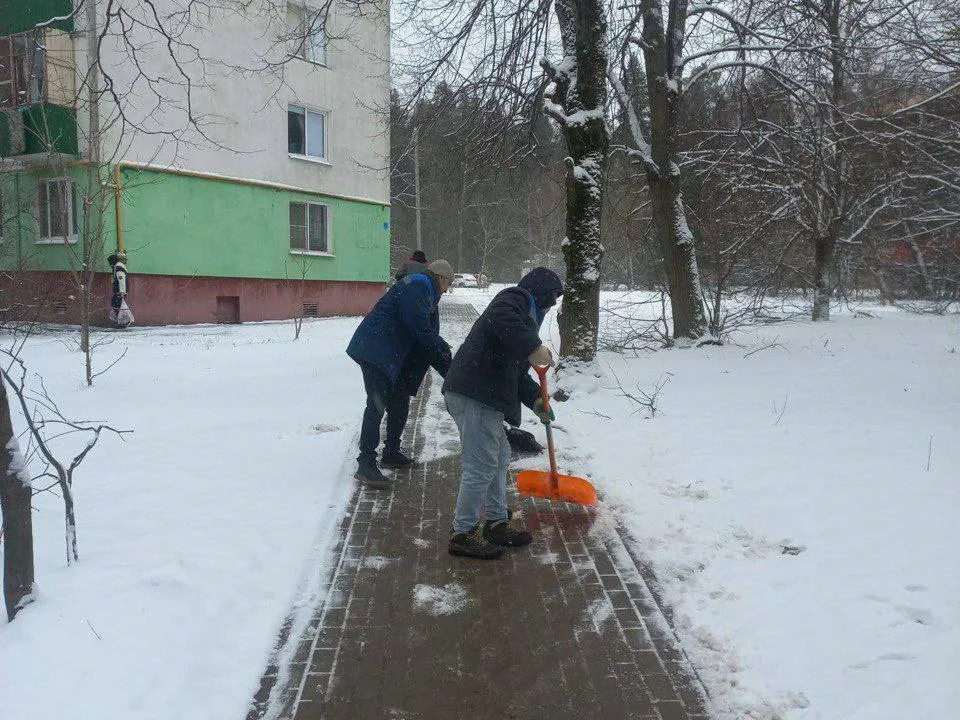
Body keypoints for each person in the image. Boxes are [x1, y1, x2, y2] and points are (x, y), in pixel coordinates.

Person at [441, 267, 563, 559]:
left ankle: (496, 522)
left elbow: (519, 374)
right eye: (549, 298)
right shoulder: (514, 299)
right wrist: (533, 346)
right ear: (540, 293)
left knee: (499, 458)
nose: (550, 306)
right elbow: (502, 318)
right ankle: (463, 533)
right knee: (481, 464)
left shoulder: (523, 323)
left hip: (485, 398)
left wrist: (537, 400)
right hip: (474, 395)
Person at [346, 259, 456, 488]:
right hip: (376, 350)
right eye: (449, 284)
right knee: (376, 404)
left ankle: (391, 452)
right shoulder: (419, 285)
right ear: (442, 278)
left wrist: (453, 373)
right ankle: (366, 463)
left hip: (387, 352)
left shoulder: (425, 290)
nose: (447, 290)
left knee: (399, 399)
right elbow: (418, 327)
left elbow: (426, 337)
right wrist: (442, 347)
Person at [107, 252, 134, 328]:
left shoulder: (118, 267)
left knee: (117, 306)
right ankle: (121, 322)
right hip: (120, 291)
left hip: (119, 291)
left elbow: (121, 280)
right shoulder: (120, 266)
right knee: (118, 306)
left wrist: (121, 292)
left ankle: (123, 322)